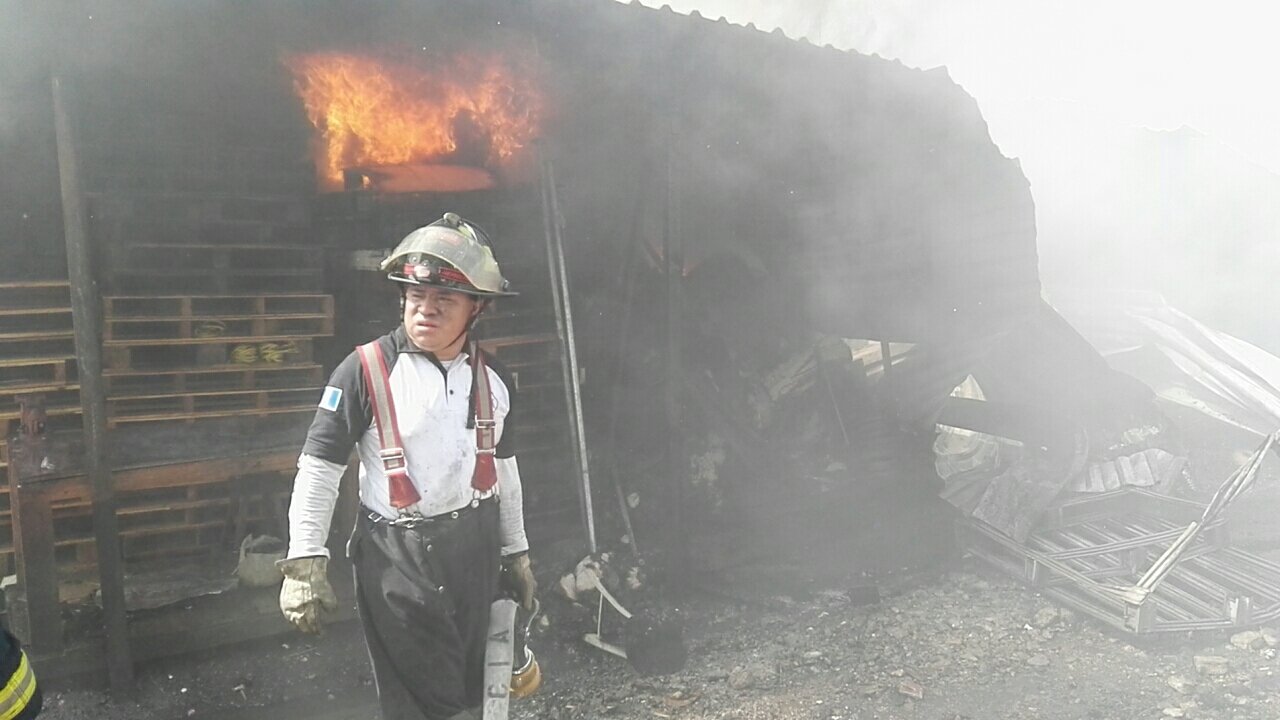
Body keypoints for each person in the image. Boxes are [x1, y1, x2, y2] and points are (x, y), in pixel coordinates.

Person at [278, 212, 538, 720]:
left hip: (475, 547)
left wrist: (517, 553)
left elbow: (504, 471)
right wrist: (304, 561)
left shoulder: (495, 379)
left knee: (474, 683)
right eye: (415, 298)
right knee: (428, 699)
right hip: (398, 558)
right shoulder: (364, 371)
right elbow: (319, 467)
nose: (425, 311)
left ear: (476, 309)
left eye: (444, 301)